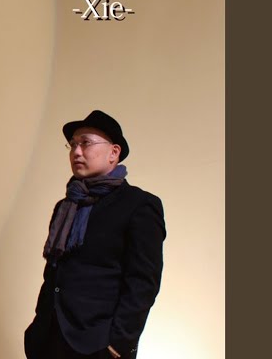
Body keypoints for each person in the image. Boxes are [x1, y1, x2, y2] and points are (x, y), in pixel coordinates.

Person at [23, 110, 166, 359]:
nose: (76, 152)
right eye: (73, 145)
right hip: (50, 339)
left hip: (98, 344)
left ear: (114, 152)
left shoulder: (139, 205)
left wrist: (119, 343)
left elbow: (143, 283)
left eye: (86, 143)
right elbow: (54, 273)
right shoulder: (67, 206)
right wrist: (38, 328)